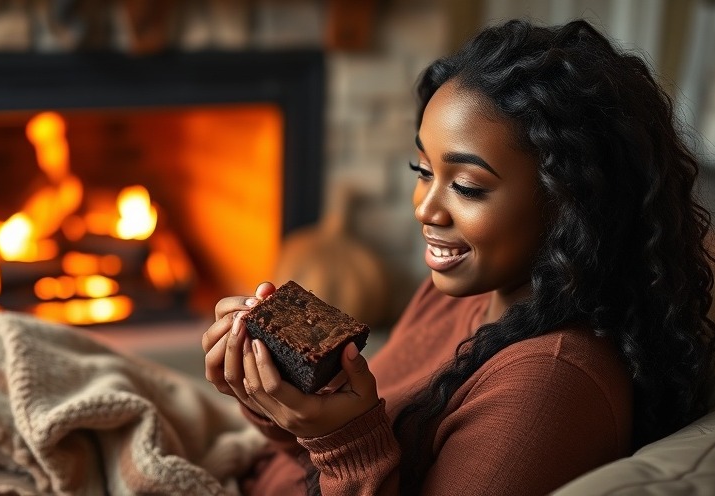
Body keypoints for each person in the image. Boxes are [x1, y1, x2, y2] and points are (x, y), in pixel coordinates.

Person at [202, 18, 715, 495]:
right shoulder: (461, 288)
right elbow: (312, 456)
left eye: (467, 187)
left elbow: (346, 458)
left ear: (573, 204)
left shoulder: (548, 390)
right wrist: (273, 396)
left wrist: (345, 443)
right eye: (422, 169)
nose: (425, 208)